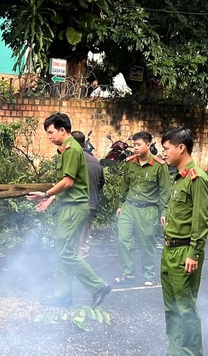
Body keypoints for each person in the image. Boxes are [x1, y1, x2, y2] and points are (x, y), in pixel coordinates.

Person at [27, 113, 111, 308]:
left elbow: (68, 181)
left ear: (62, 130)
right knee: (63, 251)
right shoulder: (67, 149)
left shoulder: (72, 149)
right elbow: (71, 183)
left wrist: (46, 194)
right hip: (68, 206)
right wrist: (53, 198)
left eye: (51, 132)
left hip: (74, 208)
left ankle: (98, 287)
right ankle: (63, 296)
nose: (49, 137)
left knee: (66, 253)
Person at [152, 127, 208, 356]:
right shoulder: (179, 177)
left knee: (186, 307)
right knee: (171, 306)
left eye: (166, 148)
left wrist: (194, 254)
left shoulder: (197, 178)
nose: (163, 153)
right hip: (169, 249)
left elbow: (201, 221)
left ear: (181, 148)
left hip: (186, 250)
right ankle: (175, 352)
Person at [115, 131, 170, 286]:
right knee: (123, 241)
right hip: (129, 208)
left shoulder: (159, 166)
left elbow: (165, 191)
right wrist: (121, 205)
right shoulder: (130, 163)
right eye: (134, 145)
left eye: (138, 145)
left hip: (148, 210)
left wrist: (164, 212)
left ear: (148, 145)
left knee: (147, 244)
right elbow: (125, 186)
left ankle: (148, 275)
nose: (135, 148)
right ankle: (128, 274)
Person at [71, 131, 105, 257]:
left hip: (73, 205)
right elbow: (101, 183)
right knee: (82, 240)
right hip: (90, 205)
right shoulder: (95, 161)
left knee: (70, 239)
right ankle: (81, 266)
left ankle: (70, 269)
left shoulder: (71, 160)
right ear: (84, 144)